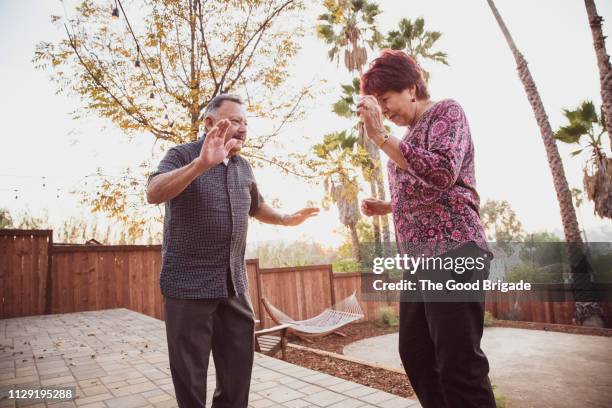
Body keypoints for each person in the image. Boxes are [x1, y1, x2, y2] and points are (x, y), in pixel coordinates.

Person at [146, 94, 319, 408]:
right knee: (190, 376)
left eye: (246, 123)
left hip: (233, 285)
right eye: (235, 120)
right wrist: (201, 164)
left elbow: (256, 205)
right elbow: (154, 192)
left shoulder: (242, 166)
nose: (243, 128)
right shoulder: (181, 154)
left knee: (238, 372)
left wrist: (283, 218)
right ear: (211, 123)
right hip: (188, 285)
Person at [357, 50, 496, 408]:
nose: (385, 111)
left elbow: (442, 173)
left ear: (410, 88)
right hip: (419, 263)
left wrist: (381, 137)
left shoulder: (447, 112)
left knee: (458, 365)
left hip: (454, 251)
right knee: (416, 353)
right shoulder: (411, 133)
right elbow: (423, 188)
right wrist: (389, 205)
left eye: (385, 100)